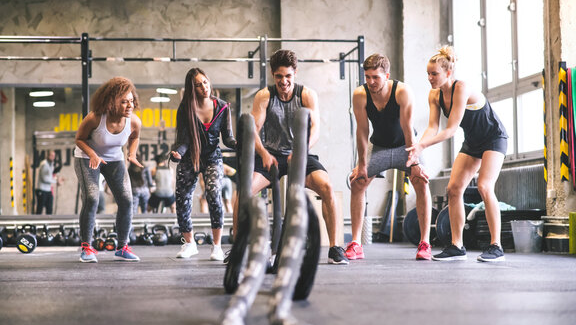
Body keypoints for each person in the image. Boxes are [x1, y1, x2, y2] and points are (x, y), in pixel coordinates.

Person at [239, 49, 349, 265]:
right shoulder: (265, 96)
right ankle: (237, 248)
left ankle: (336, 248)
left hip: (301, 152)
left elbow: (316, 128)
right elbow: (253, 129)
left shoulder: (307, 95)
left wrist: (301, 151)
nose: (284, 81)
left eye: (288, 76)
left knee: (326, 187)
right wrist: (263, 153)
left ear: (295, 73)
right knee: (243, 192)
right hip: (272, 155)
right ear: (273, 74)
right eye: (279, 76)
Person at [406, 46, 508, 262]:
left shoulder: (461, 88)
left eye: (434, 74)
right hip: (473, 142)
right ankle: (456, 246)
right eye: (428, 74)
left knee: (484, 186)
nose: (430, 78)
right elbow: (433, 127)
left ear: (448, 73)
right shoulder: (434, 95)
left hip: (494, 137)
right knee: (453, 189)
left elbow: (451, 130)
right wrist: (418, 145)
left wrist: (422, 147)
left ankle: (496, 246)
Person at [348, 53, 433, 261]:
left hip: (406, 145)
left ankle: (425, 243)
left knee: (420, 182)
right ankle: (356, 243)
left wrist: (413, 162)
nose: (370, 82)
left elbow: (407, 128)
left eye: (375, 77)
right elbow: (361, 131)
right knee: (358, 183)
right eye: (367, 76)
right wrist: (361, 165)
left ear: (387, 75)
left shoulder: (402, 91)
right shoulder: (360, 94)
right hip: (379, 147)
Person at [74, 76, 143, 263]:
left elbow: (135, 137)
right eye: (124, 102)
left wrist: (132, 154)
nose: (129, 105)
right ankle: (87, 248)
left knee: (127, 200)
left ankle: (122, 247)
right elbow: (79, 139)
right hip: (87, 158)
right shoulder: (95, 117)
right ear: (112, 102)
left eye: (131, 101)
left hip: (115, 160)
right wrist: (93, 155)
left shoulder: (133, 121)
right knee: (91, 197)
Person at [170, 67, 236, 260]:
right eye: (198, 85)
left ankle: (217, 246)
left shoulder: (223, 107)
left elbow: (228, 139)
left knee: (214, 193)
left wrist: (241, 143)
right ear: (192, 89)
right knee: (182, 198)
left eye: (205, 82)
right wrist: (178, 154)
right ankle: (190, 244)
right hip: (190, 155)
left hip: (212, 156)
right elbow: (184, 140)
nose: (204, 87)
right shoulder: (186, 108)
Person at [35, 150, 62, 214]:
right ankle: (37, 223)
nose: (53, 157)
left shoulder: (51, 164)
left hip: (48, 190)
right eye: (52, 155)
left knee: (49, 210)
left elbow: (50, 176)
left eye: (54, 156)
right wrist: (56, 181)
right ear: (48, 156)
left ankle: (49, 224)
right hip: (42, 190)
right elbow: (45, 179)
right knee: (39, 209)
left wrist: (57, 179)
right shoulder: (44, 164)